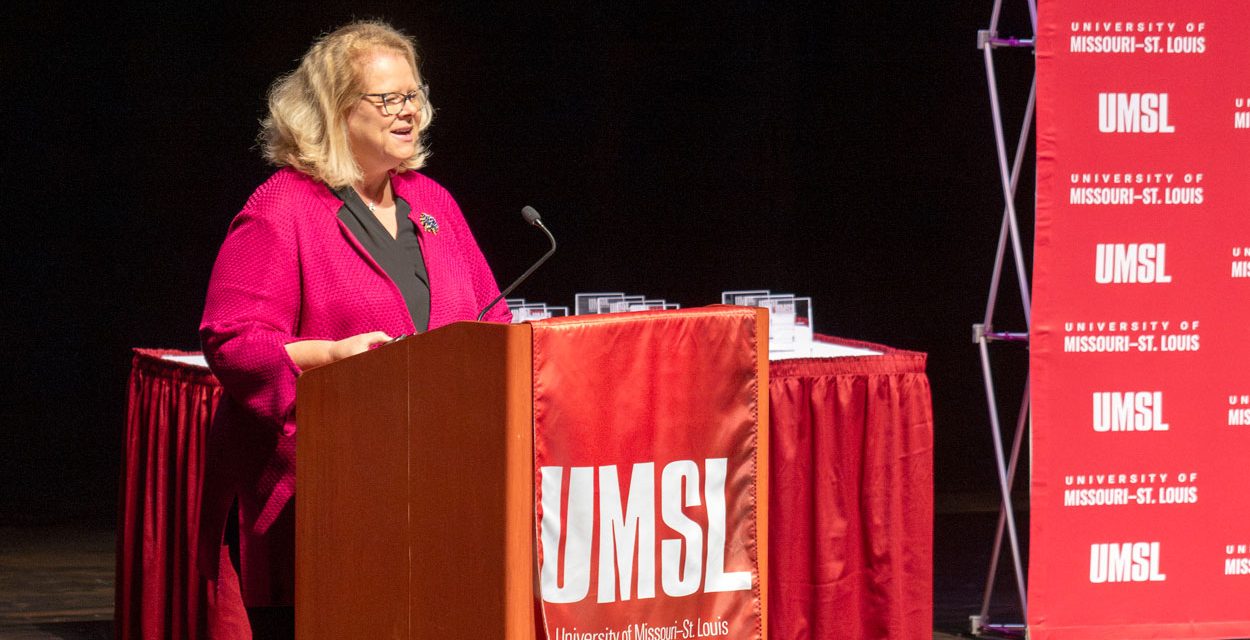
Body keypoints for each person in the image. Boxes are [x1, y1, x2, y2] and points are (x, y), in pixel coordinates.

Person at [198, 19, 512, 637]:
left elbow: (492, 319)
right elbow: (232, 338)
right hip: (328, 489)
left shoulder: (433, 204)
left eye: (414, 95)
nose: (409, 113)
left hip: (443, 480)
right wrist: (326, 358)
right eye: (388, 99)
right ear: (333, 112)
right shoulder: (283, 207)